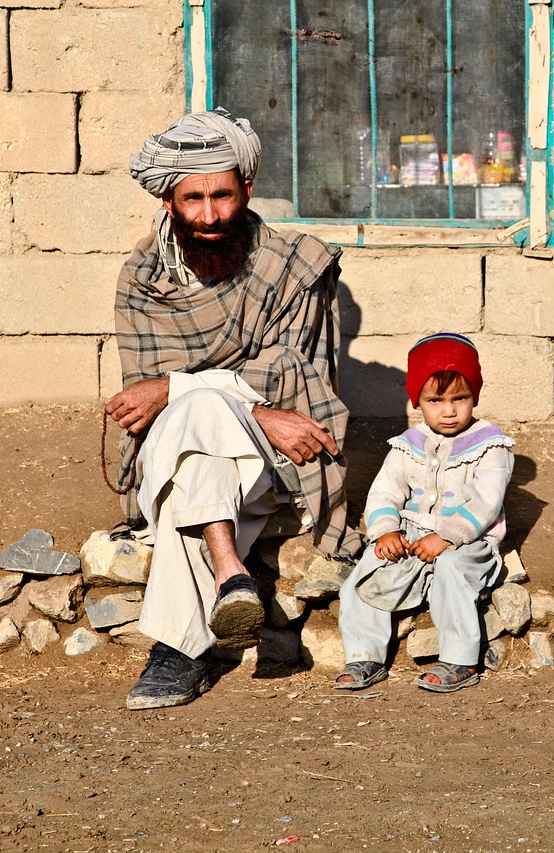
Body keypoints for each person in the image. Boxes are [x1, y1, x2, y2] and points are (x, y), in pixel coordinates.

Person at [106, 107, 362, 711]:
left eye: (222, 195)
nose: (209, 215)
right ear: (169, 200)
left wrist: (179, 387)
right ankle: (231, 574)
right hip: (184, 453)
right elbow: (146, 412)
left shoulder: (295, 266)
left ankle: (175, 655)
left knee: (193, 416)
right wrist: (232, 401)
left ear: (247, 188)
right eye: (191, 198)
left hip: (277, 458)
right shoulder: (142, 281)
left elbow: (297, 377)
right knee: (194, 437)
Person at [333, 333, 514, 693]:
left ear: (474, 395)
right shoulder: (407, 446)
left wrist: (447, 537)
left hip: (467, 540)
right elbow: (385, 490)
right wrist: (384, 530)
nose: (448, 411)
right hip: (413, 536)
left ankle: (460, 659)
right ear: (418, 401)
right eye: (435, 400)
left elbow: (486, 502)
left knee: (451, 569)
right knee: (366, 571)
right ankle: (363, 655)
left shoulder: (491, 446)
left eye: (459, 398)